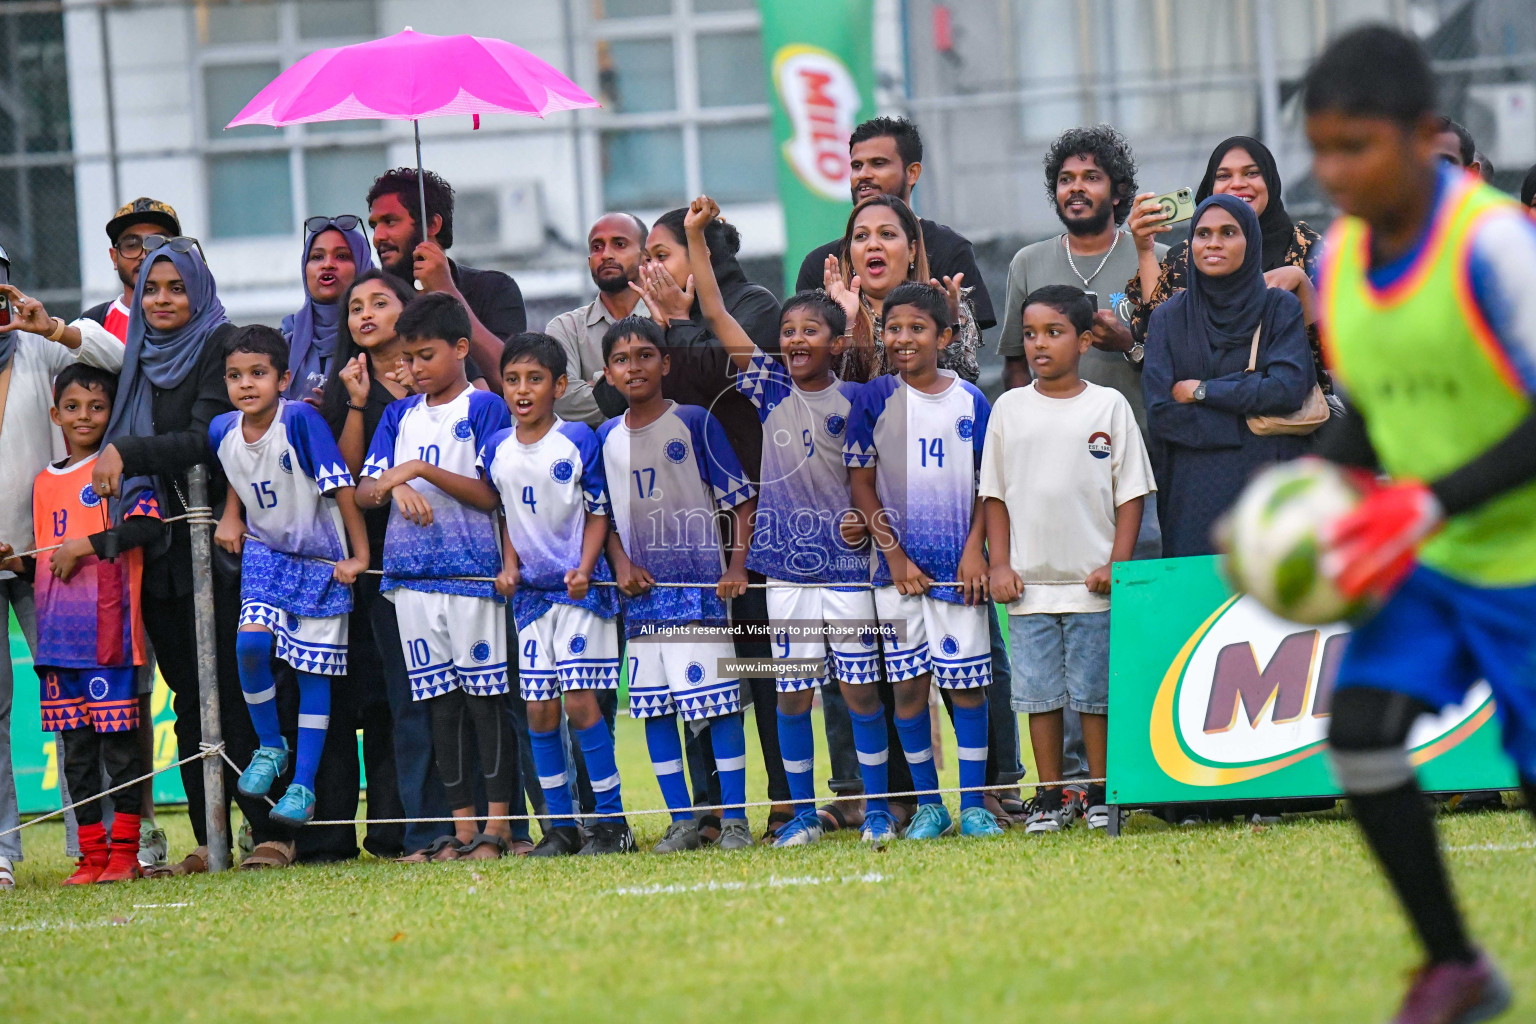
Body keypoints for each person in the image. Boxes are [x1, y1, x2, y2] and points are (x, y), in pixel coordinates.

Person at [1300, 24, 1536, 1020]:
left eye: (1357, 146)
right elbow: (1379, 423)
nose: (1335, 170)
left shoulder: (1492, 244)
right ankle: (1457, 965)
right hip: (1435, 560)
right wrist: (1297, 496)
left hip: (1524, 562)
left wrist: (1431, 497)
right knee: (1358, 730)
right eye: (1322, 148)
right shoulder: (1338, 266)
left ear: (1423, 134)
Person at [683, 196, 874, 848]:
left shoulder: (857, 398)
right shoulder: (766, 387)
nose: (794, 339)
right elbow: (713, 311)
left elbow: (868, 476)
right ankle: (797, 815)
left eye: (810, 331)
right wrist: (693, 238)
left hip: (846, 569)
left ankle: (878, 809)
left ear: (836, 343)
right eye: (788, 330)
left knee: (859, 691)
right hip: (784, 571)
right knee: (792, 694)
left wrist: (853, 314)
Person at [634, 207, 794, 837]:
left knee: (761, 665)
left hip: (750, 522)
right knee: (690, 667)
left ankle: (785, 801)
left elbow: (719, 379)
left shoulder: (753, 306)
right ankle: (707, 812)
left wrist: (676, 321)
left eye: (662, 253)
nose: (650, 268)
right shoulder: (652, 321)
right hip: (678, 528)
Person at [981, 286, 1151, 834]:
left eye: (1053, 333)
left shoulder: (1109, 405)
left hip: (1092, 587)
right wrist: (1000, 565)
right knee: (1039, 697)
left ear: (1083, 341)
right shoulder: (1008, 408)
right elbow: (995, 497)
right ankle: (1050, 798)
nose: (1038, 345)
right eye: (1029, 335)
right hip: (1028, 591)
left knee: (1095, 697)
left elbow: (1131, 495)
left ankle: (1102, 796)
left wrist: (1115, 566)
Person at [356, 293, 514, 861]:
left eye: (426, 355)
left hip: (473, 576)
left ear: (461, 349)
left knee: (487, 702)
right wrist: (395, 484)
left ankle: (500, 828)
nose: (415, 368)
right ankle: (461, 830)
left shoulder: (485, 407)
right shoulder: (398, 415)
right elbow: (364, 491)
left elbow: (491, 494)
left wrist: (420, 469)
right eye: (409, 358)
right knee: (439, 705)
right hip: (411, 581)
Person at [844, 281, 1004, 842]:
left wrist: (973, 552)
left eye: (918, 328)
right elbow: (861, 486)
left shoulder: (971, 401)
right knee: (908, 689)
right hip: (896, 577)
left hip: (959, 575)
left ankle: (975, 805)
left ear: (947, 335)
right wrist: (894, 557)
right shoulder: (873, 398)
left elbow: (990, 486)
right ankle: (930, 806)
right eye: (894, 328)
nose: (904, 338)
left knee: (967, 688)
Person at [596, 315, 758, 853]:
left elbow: (742, 500)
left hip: (701, 592)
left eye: (645, 355)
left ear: (665, 363)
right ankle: (683, 821)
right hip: (642, 601)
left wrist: (736, 568)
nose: (634, 366)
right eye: (622, 359)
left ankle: (733, 819)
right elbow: (605, 518)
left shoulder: (692, 421)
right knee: (655, 707)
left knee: (717, 705)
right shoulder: (605, 438)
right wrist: (619, 564)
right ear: (608, 373)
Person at [0, 248, 126, 891]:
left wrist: (50, 327)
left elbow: (116, 361)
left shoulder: (39, 347)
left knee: (85, 707)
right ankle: (2, 852)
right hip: (27, 559)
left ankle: (99, 846)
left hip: (49, 568)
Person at [8, 364, 163, 883]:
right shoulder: (43, 483)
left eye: (97, 407)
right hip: (56, 640)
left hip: (108, 637)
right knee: (75, 754)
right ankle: (91, 855)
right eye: (72, 407)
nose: (84, 417)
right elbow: (47, 558)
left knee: (119, 752)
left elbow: (146, 527)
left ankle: (124, 853)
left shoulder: (119, 468)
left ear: (111, 413)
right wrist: (18, 563)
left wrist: (88, 546)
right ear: (55, 415)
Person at [210, 326, 370, 828]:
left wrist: (359, 555)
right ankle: (271, 746)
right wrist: (231, 513)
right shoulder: (220, 429)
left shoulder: (299, 420)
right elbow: (241, 474)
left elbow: (341, 486)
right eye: (235, 376)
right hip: (267, 552)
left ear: (283, 379)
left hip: (321, 558)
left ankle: (303, 786)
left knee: (312, 674)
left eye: (258, 373)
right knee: (250, 647)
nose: (246, 384)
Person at [482, 332, 633, 856]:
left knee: (582, 705)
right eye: (513, 380)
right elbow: (506, 515)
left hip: (579, 596)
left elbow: (598, 511)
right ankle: (562, 828)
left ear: (559, 385)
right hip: (532, 601)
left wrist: (586, 568)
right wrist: (508, 566)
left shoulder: (576, 440)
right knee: (540, 712)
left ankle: (612, 825)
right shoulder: (495, 449)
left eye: (535, 379)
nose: (523, 391)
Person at [321, 271, 442, 859]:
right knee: (389, 696)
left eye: (379, 302)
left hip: (446, 552)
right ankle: (398, 831)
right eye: (354, 308)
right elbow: (344, 475)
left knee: (444, 695)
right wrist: (360, 403)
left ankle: (460, 824)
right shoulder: (348, 383)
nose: (364, 315)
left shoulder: (437, 376)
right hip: (372, 562)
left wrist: (407, 389)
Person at [1142, 194, 1313, 558]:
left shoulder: (1279, 307)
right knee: (1200, 610)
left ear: (1250, 241)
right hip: (1193, 498)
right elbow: (1161, 414)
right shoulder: (1168, 319)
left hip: (1268, 491)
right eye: (1203, 234)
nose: (1214, 243)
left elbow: (1288, 389)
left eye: (1228, 232)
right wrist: (1246, 425)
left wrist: (1203, 391)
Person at [1124, 136, 1328, 392]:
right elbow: (1156, 341)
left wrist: (1300, 282)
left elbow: (1334, 350)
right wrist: (1145, 251)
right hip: (1203, 415)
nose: (1238, 183)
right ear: (1210, 186)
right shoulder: (1188, 257)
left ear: (1271, 181)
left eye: (1252, 173)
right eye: (1223, 176)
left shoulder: (1308, 250)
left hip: (1290, 417)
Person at [795, 116, 996, 333]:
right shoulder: (820, 265)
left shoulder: (949, 249)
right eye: (856, 166)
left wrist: (951, 321)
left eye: (878, 164)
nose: (863, 175)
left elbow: (965, 357)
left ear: (912, 173)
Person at [367, 168, 526, 378]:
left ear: (432, 225)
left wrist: (447, 290)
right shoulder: (371, 301)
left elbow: (511, 380)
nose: (377, 237)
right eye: (374, 225)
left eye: (390, 221)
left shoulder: (494, 289)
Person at [823, 194, 978, 383]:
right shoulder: (824, 309)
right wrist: (843, 322)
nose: (873, 245)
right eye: (861, 236)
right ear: (849, 252)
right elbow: (819, 388)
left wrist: (950, 326)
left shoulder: (947, 307)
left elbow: (965, 382)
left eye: (887, 234)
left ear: (912, 250)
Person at [548, 213, 648, 427]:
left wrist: (599, 383)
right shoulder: (566, 328)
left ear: (645, 257)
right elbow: (562, 400)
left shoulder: (666, 317)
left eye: (619, 244)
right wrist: (647, 391)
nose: (606, 255)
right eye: (597, 247)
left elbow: (682, 391)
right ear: (589, 261)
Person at [282, 215, 375, 400]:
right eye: (317, 257)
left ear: (362, 265)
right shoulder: (283, 341)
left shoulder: (381, 336)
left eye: (342, 256)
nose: (327, 265)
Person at [83, 198, 183, 341]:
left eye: (157, 244)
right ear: (114, 258)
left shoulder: (204, 324)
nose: (144, 255)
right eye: (131, 245)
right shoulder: (92, 328)